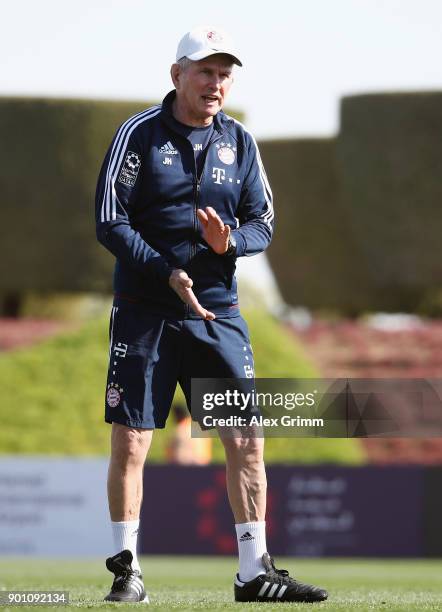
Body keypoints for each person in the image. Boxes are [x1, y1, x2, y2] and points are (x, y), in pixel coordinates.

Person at [95, 25, 328, 604]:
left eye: (225, 73)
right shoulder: (138, 135)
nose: (216, 83)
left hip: (217, 313)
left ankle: (254, 571)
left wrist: (231, 246)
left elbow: (263, 223)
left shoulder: (241, 142)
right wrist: (164, 271)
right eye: (205, 71)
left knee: (246, 439)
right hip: (146, 311)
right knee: (133, 440)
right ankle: (128, 570)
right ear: (177, 75)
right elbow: (110, 219)